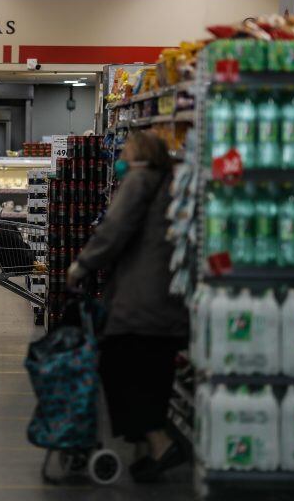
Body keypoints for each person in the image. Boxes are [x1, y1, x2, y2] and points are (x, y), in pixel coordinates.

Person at [66, 131, 189, 483]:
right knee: (154, 373)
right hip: (168, 298)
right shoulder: (170, 182)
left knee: (119, 366)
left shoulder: (138, 180)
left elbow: (113, 230)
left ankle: (160, 443)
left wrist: (82, 264)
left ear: (141, 153)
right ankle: (148, 451)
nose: (119, 154)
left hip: (142, 297)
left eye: (126, 148)